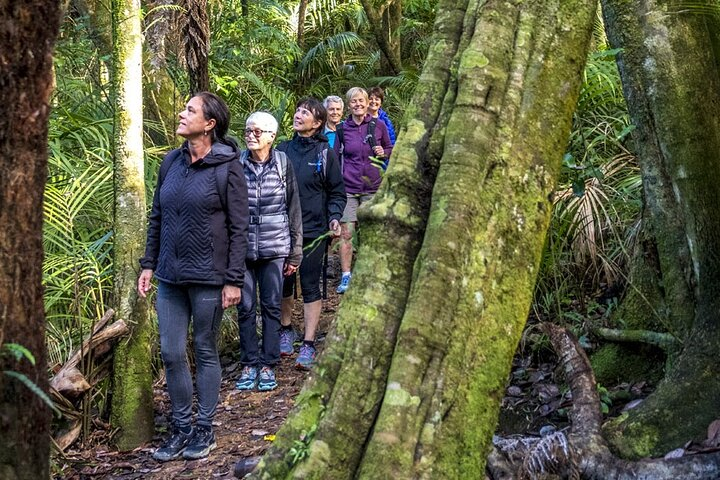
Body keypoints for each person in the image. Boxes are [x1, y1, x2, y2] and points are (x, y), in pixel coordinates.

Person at [138, 92, 248, 462]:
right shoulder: (171, 161)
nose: (182, 114)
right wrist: (148, 263)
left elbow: (239, 227)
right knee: (170, 351)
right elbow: (158, 216)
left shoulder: (228, 166)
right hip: (170, 277)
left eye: (190, 110)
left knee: (203, 348)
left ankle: (204, 427)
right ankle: (181, 428)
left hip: (209, 278)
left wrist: (233, 279)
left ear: (210, 124)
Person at [235, 111, 303, 391]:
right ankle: (249, 362)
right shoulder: (237, 163)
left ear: (272, 137)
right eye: (248, 130)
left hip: (275, 246)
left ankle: (268, 363)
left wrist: (295, 251)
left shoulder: (283, 164)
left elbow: (293, 207)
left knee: (272, 306)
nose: (252, 135)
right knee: (246, 306)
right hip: (242, 247)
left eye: (258, 132)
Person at [276, 98, 346, 369]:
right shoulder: (282, 150)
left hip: (314, 230)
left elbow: (337, 191)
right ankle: (285, 329)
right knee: (284, 283)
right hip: (282, 230)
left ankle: (308, 343)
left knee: (310, 283)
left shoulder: (324, 153)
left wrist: (334, 218)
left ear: (317, 123)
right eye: (297, 110)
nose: (298, 115)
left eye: (305, 112)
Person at [336, 87, 393, 294]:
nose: (358, 104)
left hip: (373, 186)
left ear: (367, 102)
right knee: (347, 233)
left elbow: (390, 149)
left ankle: (370, 273)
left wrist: (383, 152)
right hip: (349, 187)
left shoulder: (378, 126)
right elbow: (335, 158)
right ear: (348, 105)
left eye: (361, 100)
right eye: (354, 102)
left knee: (372, 232)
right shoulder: (343, 129)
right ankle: (346, 276)